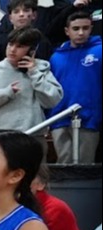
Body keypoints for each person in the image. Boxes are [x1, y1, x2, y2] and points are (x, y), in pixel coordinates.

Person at [0, 27, 64, 139]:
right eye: (10, 44)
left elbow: (52, 100)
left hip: (32, 137)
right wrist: (3, 95)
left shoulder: (41, 71)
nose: (12, 50)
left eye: (20, 46)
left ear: (31, 51)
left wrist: (34, 74)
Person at [48, 11, 100, 164]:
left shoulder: (99, 51)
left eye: (85, 28)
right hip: (59, 118)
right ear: (67, 31)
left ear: (91, 28)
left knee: (85, 165)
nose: (81, 32)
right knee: (63, 164)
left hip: (89, 119)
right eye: (76, 29)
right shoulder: (56, 57)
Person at [0, 0, 57, 72]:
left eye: (26, 10)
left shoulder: (42, 42)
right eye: (16, 11)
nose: (21, 14)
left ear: (34, 15)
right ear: (10, 18)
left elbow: (47, 71)